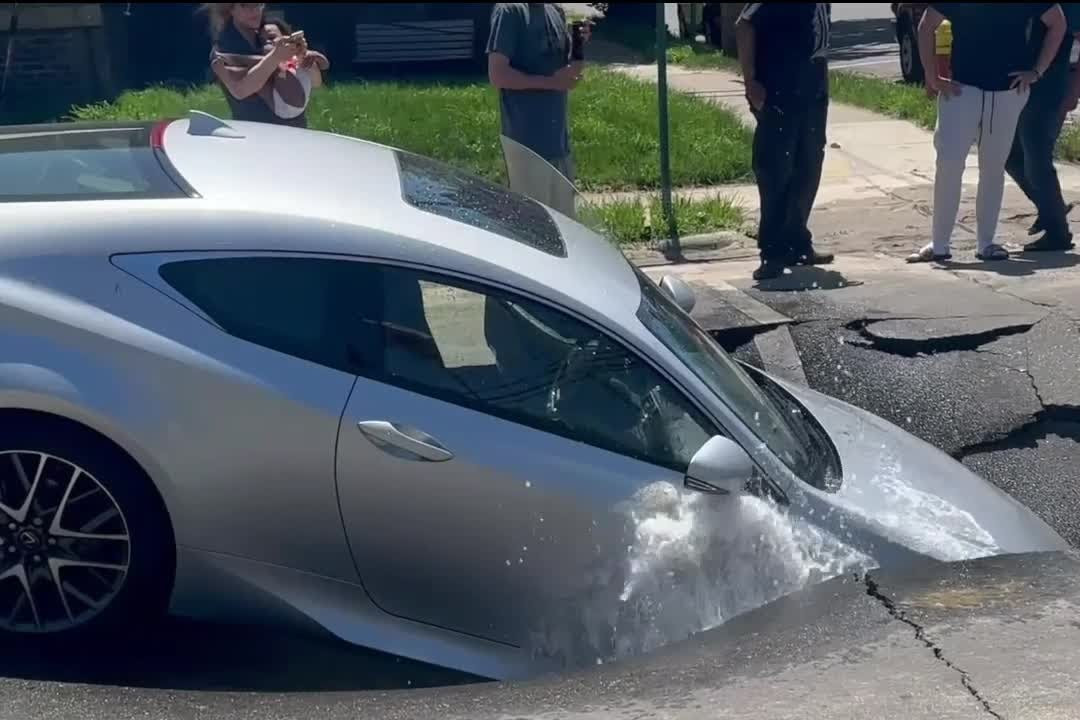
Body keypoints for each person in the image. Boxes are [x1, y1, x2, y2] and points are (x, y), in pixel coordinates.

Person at [908, 4, 1066, 264]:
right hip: (960, 90)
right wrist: (932, 75)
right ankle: (939, 244)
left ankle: (986, 243)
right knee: (948, 163)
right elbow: (927, 25)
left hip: (1008, 91)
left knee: (993, 167)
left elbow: (1057, 23)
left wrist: (1037, 71)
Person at [736, 3, 835, 281]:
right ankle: (772, 252)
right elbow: (744, 24)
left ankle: (797, 242)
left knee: (809, 166)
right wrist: (750, 80)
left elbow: (819, 40)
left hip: (813, 85)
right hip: (779, 87)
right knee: (775, 170)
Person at [1005, 3, 1080, 252]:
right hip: (1019, 88)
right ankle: (1052, 209)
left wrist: (1074, 89)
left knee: (1037, 158)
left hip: (1049, 87)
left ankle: (1058, 233)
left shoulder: (1067, 6)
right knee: (1011, 156)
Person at [487, 3, 587, 186]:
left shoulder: (555, 10)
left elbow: (570, 72)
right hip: (526, 147)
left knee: (562, 206)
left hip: (559, 144)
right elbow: (498, 75)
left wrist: (579, 42)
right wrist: (552, 83)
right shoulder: (510, 11)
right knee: (531, 205)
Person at [204, 3, 310, 128]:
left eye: (258, 4)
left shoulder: (268, 33)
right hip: (256, 131)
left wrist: (300, 54)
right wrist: (276, 58)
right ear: (231, 9)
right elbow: (241, 91)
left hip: (295, 128)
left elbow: (314, 80)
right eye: (245, 5)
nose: (254, 10)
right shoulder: (223, 48)